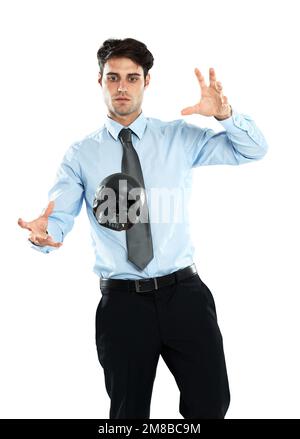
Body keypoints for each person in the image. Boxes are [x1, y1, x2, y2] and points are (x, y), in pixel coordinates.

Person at [18, 38, 268, 419]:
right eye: (113, 77)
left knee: (211, 404)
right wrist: (45, 232)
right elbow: (59, 216)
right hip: (122, 305)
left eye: (132, 78)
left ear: (147, 82)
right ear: (99, 81)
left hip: (184, 295)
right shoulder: (81, 154)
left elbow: (252, 150)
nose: (122, 87)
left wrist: (226, 115)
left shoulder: (179, 138)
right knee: (127, 414)